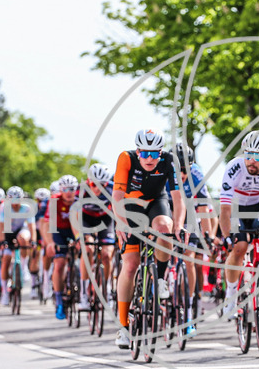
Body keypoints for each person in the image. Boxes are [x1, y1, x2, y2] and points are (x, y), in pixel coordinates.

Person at [112, 129, 185, 349]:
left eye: (155, 153)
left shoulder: (170, 161)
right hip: (131, 206)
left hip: (156, 202)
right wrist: (121, 223)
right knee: (131, 264)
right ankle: (123, 327)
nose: (150, 159)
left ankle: (160, 279)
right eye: (145, 154)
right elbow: (116, 196)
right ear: (138, 151)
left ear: (161, 152)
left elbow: (178, 198)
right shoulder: (126, 158)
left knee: (165, 227)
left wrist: (179, 225)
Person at [220, 130, 259, 319]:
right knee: (239, 247)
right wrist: (228, 236)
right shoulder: (234, 168)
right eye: (248, 154)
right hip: (237, 206)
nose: (252, 160)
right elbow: (225, 210)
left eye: (258, 156)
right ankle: (230, 296)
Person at [169, 143, 216, 328]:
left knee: (189, 258)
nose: (182, 174)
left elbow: (204, 207)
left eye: (185, 169)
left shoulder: (196, 173)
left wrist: (207, 236)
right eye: (178, 170)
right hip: (167, 206)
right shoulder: (163, 169)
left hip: (188, 210)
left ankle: (188, 309)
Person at [79, 164, 116, 310]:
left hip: (106, 220)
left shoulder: (112, 189)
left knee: (107, 254)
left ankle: (106, 288)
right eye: (94, 184)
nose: (97, 188)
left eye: (102, 184)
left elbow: (120, 211)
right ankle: (83, 293)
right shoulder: (81, 190)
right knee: (87, 249)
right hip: (85, 219)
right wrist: (78, 236)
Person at [44, 175, 80, 321]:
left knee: (81, 256)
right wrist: (50, 242)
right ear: (60, 189)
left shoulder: (80, 200)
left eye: (72, 189)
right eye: (65, 189)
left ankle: (80, 286)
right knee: (59, 264)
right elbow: (47, 224)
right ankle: (59, 299)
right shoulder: (54, 201)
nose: (68, 192)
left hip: (75, 229)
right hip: (59, 231)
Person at [0, 186, 36, 306]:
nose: (14, 204)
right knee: (6, 260)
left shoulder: (27, 208)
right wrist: (2, 242)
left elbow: (31, 226)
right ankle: (4, 293)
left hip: (20, 230)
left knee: (24, 239)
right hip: (7, 232)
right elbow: (0, 227)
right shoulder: (4, 207)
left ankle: (23, 267)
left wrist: (33, 241)